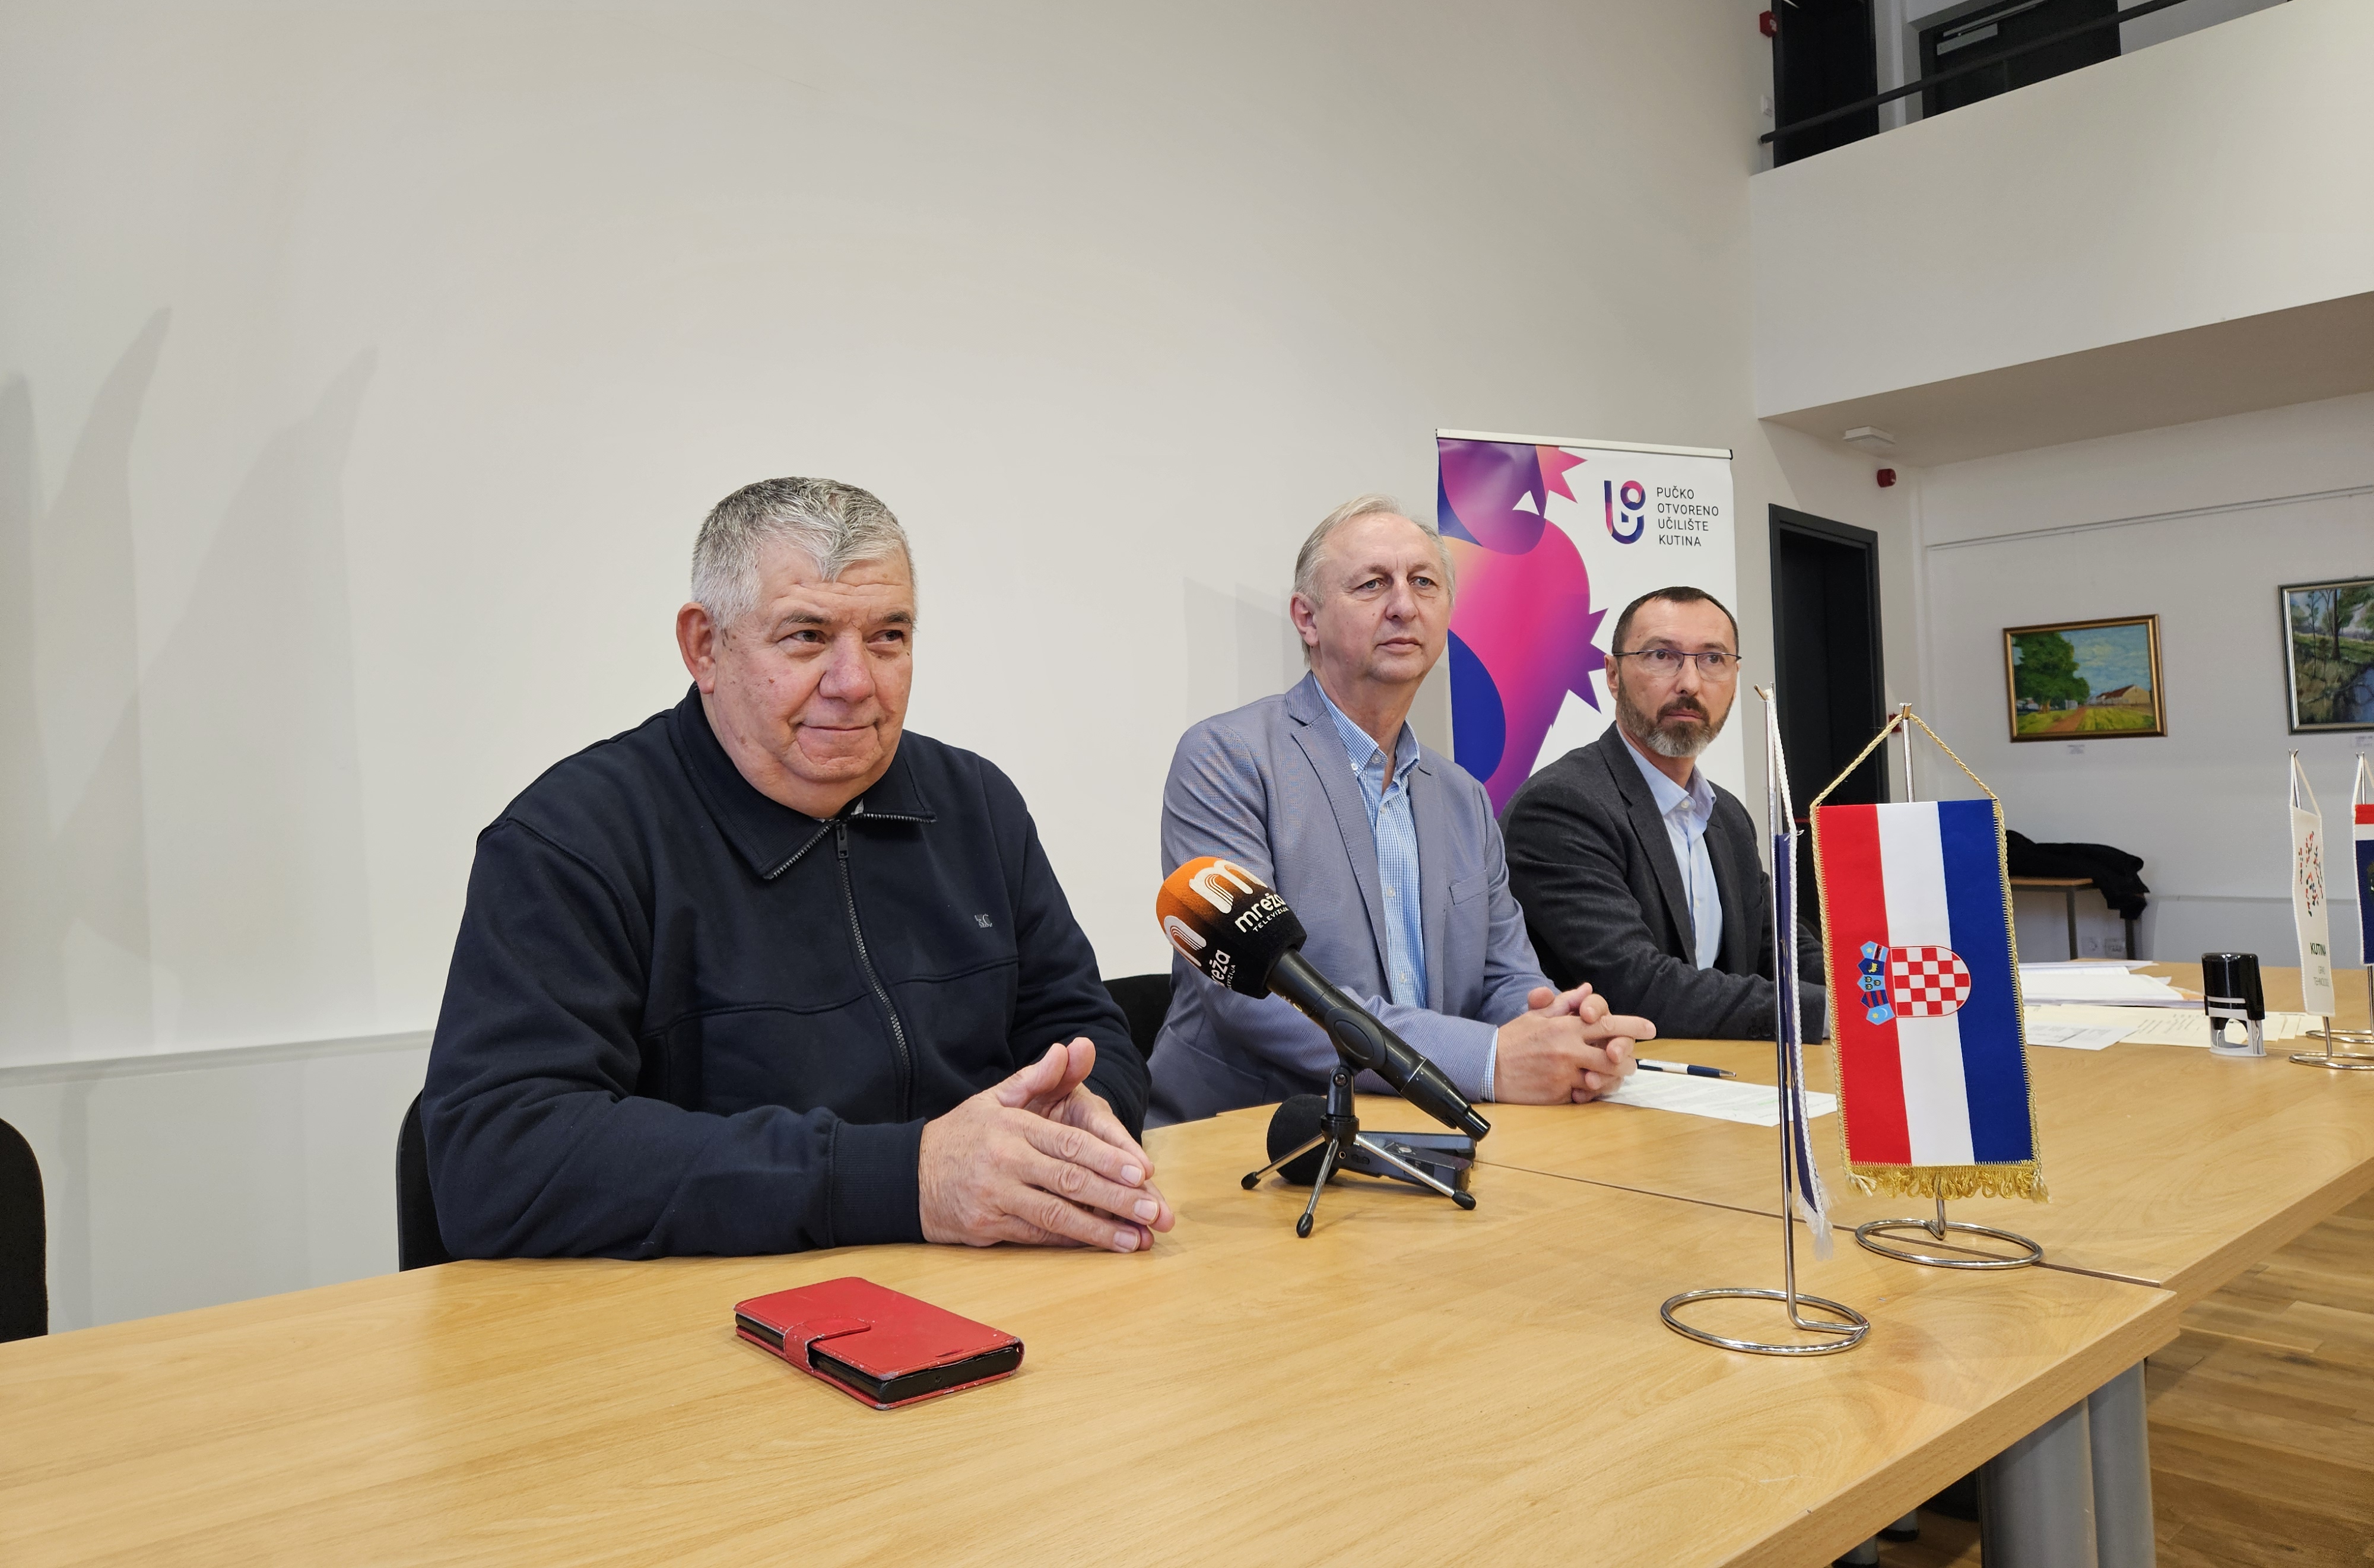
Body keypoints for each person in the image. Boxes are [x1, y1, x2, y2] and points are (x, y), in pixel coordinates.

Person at [421, 478, 1172, 1259]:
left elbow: (1082, 1028)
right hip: (712, 1307)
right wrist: (903, 1179)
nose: (856, 683)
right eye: (807, 636)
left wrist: (1079, 1118)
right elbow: (500, 1159)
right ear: (705, 647)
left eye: (888, 636)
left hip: (985, 1277)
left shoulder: (976, 803)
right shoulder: (571, 839)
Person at [1147, 496, 1651, 1125]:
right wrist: (1489, 1059)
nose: (1404, 606)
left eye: (1423, 583)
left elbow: (1506, 980)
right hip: (1255, 1137)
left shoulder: (1465, 798)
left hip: (1428, 1132)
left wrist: (1564, 1033)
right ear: (1307, 618)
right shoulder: (1227, 758)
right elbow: (1250, 995)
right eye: (1372, 584)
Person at [1499, 586, 1826, 1040]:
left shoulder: (1728, 816)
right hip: (1617, 1075)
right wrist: (1825, 1014)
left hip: (1727, 1073)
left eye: (1712, 659)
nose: (1690, 683)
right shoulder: (1561, 807)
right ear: (1613, 675)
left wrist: (1866, 994)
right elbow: (1638, 987)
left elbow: (1781, 949)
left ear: (1735, 678)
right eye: (1662, 656)